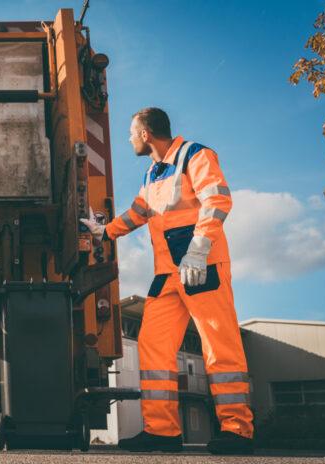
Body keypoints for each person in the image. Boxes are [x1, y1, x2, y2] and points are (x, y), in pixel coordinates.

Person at [80, 108, 254, 455]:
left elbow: (217, 200)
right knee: (152, 343)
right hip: (169, 275)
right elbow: (139, 212)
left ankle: (237, 429)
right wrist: (105, 231)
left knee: (219, 346)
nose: (129, 139)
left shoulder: (196, 155)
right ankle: (162, 431)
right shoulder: (152, 175)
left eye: (132, 133)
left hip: (202, 268)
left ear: (145, 134)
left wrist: (199, 250)